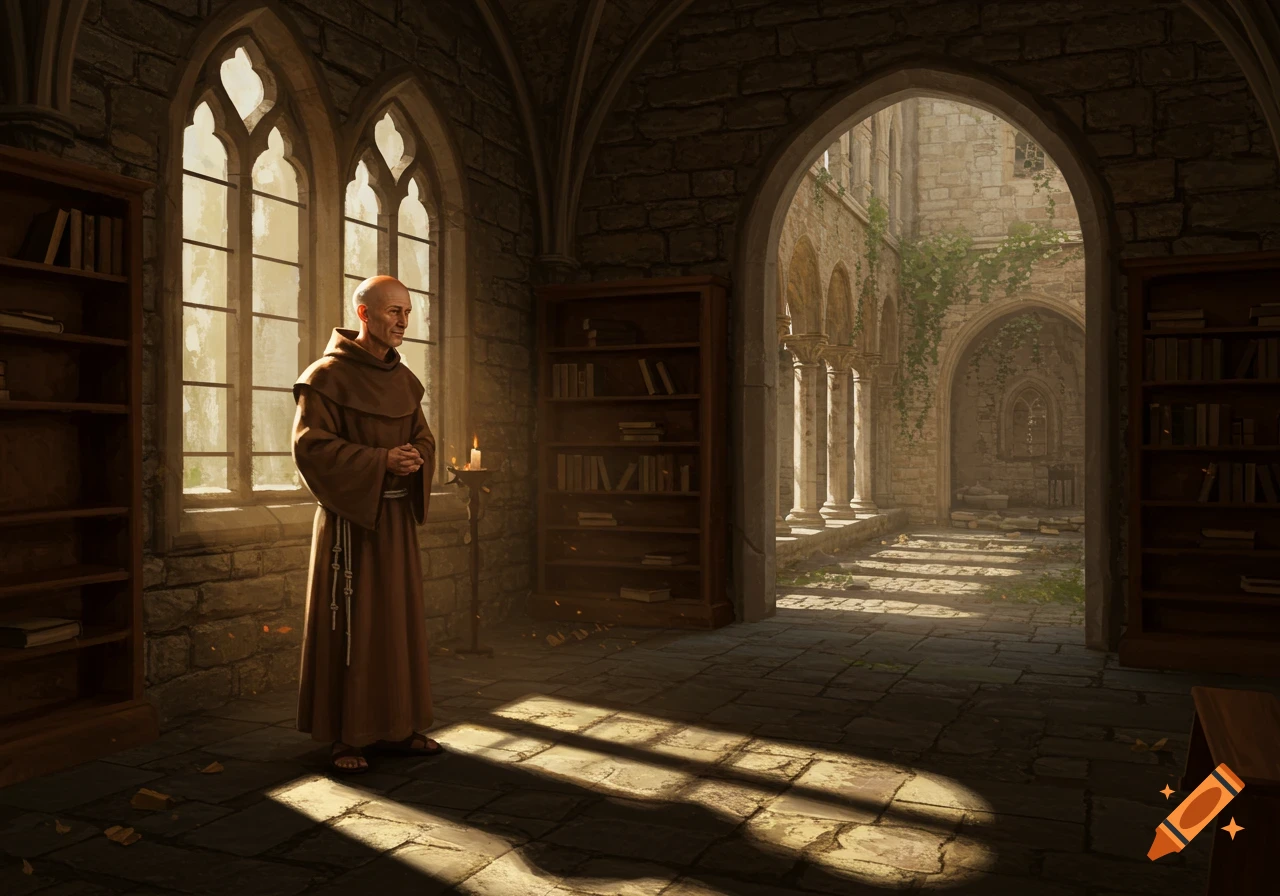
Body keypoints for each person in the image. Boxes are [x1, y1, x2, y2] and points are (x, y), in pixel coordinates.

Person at [292, 275, 442, 773]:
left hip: (394, 523)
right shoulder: (325, 377)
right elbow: (311, 447)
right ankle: (347, 736)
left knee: (395, 623)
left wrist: (413, 457)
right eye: (393, 311)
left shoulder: (403, 379)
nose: (403, 321)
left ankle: (399, 727)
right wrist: (380, 461)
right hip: (351, 527)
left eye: (407, 311)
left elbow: (424, 438)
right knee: (351, 625)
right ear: (364, 315)